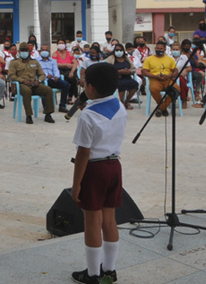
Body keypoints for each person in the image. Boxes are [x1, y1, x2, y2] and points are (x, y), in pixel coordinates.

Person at [70, 62, 126, 284]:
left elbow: (83, 153)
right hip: (114, 166)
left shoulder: (87, 116)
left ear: (90, 87)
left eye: (84, 80)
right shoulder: (119, 106)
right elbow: (104, 120)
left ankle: (93, 275)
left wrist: (76, 185)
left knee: (92, 221)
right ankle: (110, 271)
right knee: (109, 220)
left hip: (95, 170)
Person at [8, 42, 55, 125]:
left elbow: (42, 74)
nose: (24, 52)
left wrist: (39, 81)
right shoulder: (14, 62)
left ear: (29, 52)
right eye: (22, 50)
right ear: (19, 51)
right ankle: (29, 115)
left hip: (34, 84)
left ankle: (48, 114)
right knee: (26, 91)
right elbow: (11, 76)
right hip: (22, 85)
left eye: (26, 50)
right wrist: (22, 81)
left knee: (48, 90)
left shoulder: (35, 62)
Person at [141, 41, 177, 117]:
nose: (159, 50)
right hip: (155, 80)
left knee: (176, 89)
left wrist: (170, 75)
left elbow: (175, 70)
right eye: (157, 48)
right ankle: (163, 108)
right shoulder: (149, 59)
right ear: (155, 48)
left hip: (167, 80)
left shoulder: (170, 59)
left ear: (164, 49)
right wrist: (156, 76)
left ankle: (161, 108)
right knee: (153, 89)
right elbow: (144, 72)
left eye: (161, 48)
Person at [38, 44, 71, 113]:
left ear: (49, 51)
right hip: (43, 80)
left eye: (46, 50)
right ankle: (46, 107)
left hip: (53, 80)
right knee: (44, 87)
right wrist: (46, 75)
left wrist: (56, 76)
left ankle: (62, 105)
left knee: (66, 84)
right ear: (40, 51)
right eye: (43, 50)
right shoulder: (37, 61)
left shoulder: (52, 61)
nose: (44, 51)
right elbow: (37, 71)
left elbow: (56, 70)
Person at [107, 45, 139, 110]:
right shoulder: (111, 58)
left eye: (120, 50)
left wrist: (129, 71)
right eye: (117, 50)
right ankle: (121, 102)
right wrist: (119, 71)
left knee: (135, 84)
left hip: (127, 77)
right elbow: (108, 69)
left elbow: (133, 68)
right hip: (116, 78)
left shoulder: (126, 58)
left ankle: (127, 101)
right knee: (122, 84)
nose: (119, 52)